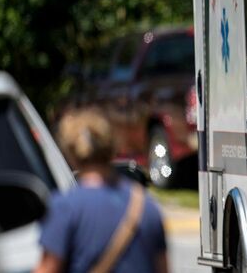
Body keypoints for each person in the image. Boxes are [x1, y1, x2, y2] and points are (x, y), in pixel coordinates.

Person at [34, 108, 167, 273]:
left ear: (71, 154)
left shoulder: (64, 208)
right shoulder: (147, 207)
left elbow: (47, 268)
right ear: (111, 149)